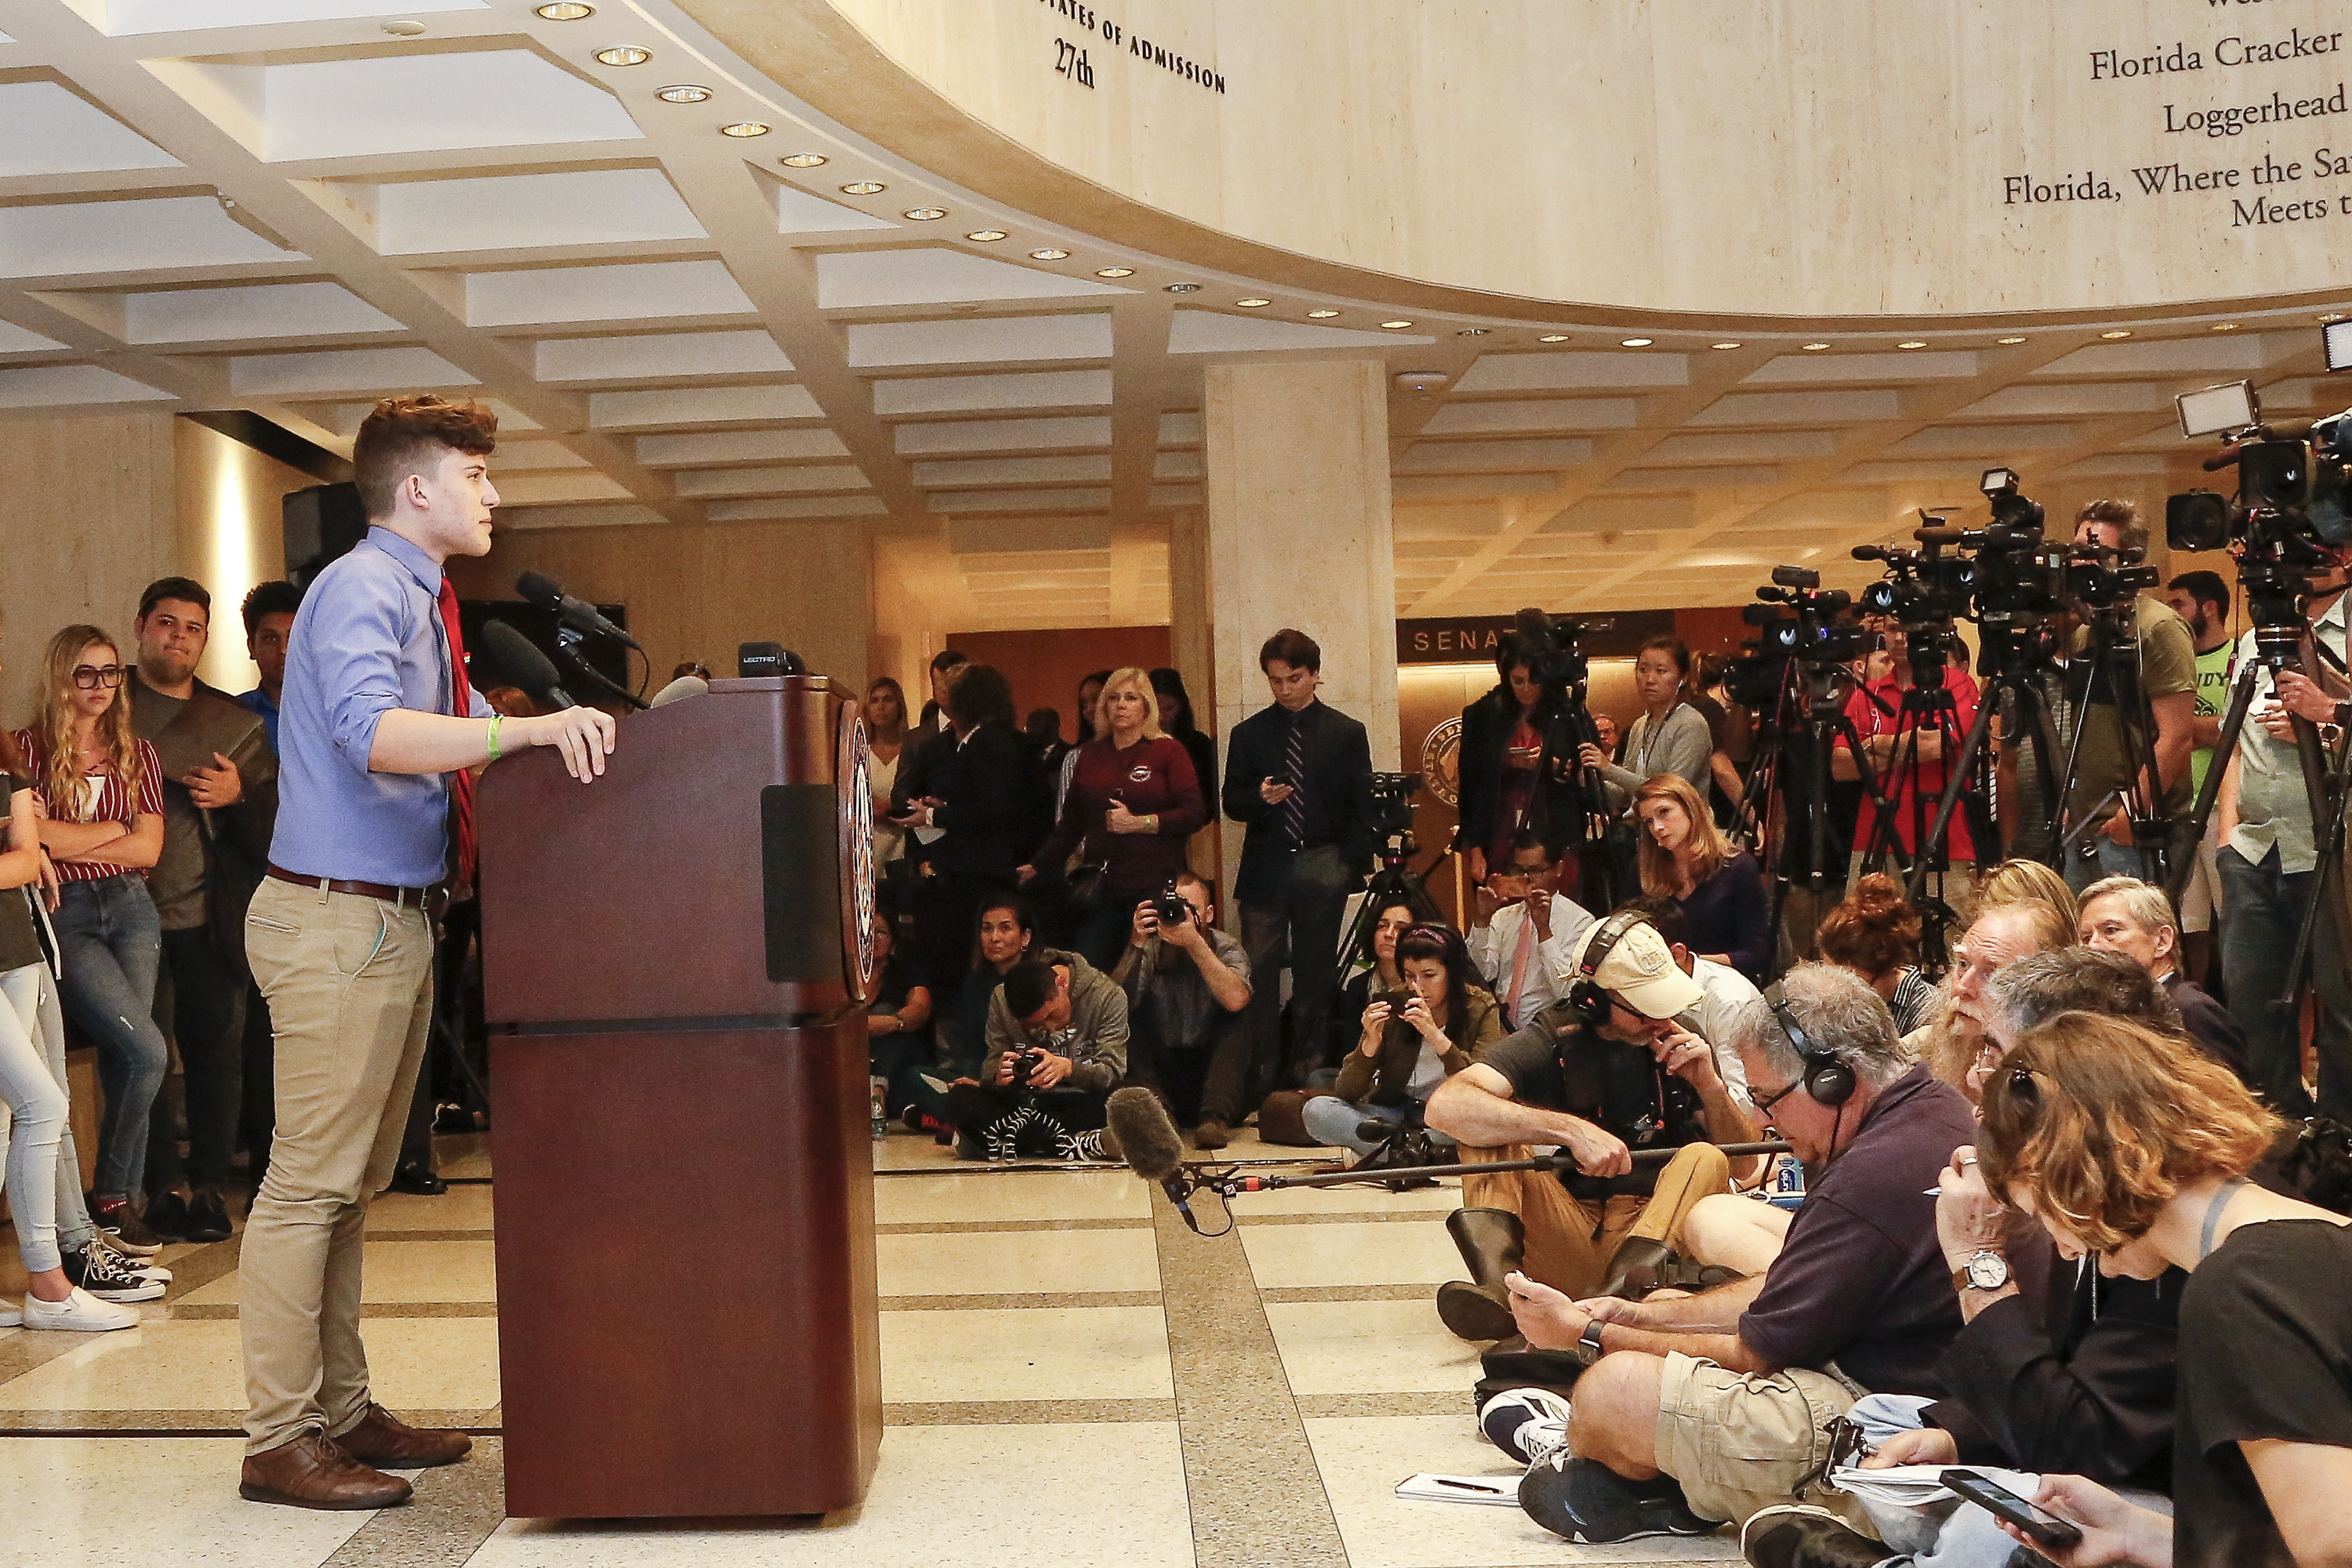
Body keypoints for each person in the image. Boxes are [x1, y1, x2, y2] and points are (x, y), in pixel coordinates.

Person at [236, 394, 616, 1509]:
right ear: (417, 489)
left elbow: (437, 745)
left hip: (390, 917)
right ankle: (279, 1435)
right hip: (336, 921)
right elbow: (375, 737)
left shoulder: (422, 593)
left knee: (349, 1190)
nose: (493, 493)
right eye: (478, 474)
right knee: (309, 1188)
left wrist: (529, 736)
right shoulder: (362, 587)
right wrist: (525, 730)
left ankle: (342, 1410)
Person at [1744, 953, 2192, 1568]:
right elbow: (2066, 1362)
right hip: (2073, 1439)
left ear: (2080, 1070)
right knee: (1881, 1422)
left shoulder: (2170, 1225)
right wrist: (1956, 1434)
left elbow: (2074, 1438)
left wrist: (1978, 1260)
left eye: (2002, 1062)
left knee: (1985, 1533)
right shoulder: (2092, 1182)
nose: (1980, 1086)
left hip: (2169, 1497)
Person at [1509, 964, 1975, 1545]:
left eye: (1766, 1099)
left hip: (1879, 1419)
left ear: (1835, 1080)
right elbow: (1786, 1289)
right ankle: (1655, 1475)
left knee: (1614, 1391)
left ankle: (1611, 1456)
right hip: (1888, 1374)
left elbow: (1754, 1351)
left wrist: (1588, 1337)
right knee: (1673, 1299)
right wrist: (1645, 1317)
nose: (1759, 1120)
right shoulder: (1928, 1106)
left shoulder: (1870, 1176)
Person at [1968, 1014, 2352, 1568]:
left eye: (2042, 1215)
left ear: (2073, 1175)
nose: (2067, 1248)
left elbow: (2331, 1544)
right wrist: (2139, 1533)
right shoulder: (2318, 1240)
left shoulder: (2238, 1287)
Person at [1424, 912, 1755, 1329]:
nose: (1660, 1019)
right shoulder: (1554, 1036)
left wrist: (1710, 1086)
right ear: (1595, 1001)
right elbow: (1446, 1105)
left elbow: (1745, 1165)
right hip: (1571, 1228)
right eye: (1644, 1008)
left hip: (1655, 1240)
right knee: (1485, 1136)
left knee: (1704, 1157)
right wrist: (1571, 1129)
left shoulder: (1683, 1041)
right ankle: (1499, 1294)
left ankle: (1614, 1305)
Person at [126, 576, 278, 1246]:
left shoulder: (232, 725)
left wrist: (241, 794)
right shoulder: (106, 706)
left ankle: (212, 1186)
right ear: (140, 628)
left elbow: (274, 836)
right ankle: (162, 1187)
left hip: (209, 917)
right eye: (166, 623)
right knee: (144, 1059)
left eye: (191, 627)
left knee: (217, 1057)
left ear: (205, 639)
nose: (178, 638)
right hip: (124, 917)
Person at [16, 625, 168, 1247]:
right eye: (86, 673)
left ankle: (119, 1206)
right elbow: (38, 839)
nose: (101, 685)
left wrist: (71, 834)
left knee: (128, 1059)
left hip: (132, 907)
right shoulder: (26, 750)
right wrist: (112, 832)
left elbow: (150, 845)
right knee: (148, 1051)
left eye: (111, 672)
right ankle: (108, 1197)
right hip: (66, 910)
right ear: (61, 677)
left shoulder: (138, 751)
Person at [0, 717, 140, 1333]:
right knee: (41, 1104)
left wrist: (32, 858)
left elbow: (30, 856)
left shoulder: (7, 756)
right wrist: (27, 857)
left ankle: (51, 1281)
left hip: (15, 946)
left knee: (13, 1116)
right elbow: (24, 855)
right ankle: (50, 1284)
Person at [2217, 528, 2352, 1120]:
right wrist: (2226, 838)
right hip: (2254, 848)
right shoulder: (2252, 641)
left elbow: (2336, 727)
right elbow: (2233, 744)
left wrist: (2325, 722)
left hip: (2332, 848)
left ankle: (2341, 1138)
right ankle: (2278, 1133)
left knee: (2343, 1007)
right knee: (2252, 1005)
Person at [1222, 629, 1375, 1097]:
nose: (1284, 689)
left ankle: (1309, 1073)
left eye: (1293, 679)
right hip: (1268, 863)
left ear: (1314, 675)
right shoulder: (1248, 734)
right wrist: (1261, 797)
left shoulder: (1346, 733)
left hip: (1322, 857)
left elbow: (1359, 804)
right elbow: (1231, 801)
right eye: (1275, 681)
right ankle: (1260, 1077)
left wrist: (1352, 865)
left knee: (1316, 975)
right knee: (1259, 975)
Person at [1020, 668, 1207, 971]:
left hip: (1154, 884)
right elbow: (1071, 823)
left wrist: (1141, 823)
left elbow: (1194, 812)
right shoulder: (1091, 755)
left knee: (1152, 974)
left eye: (1131, 698)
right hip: (1104, 888)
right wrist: (1039, 864)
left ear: (1146, 706)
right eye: (1114, 698)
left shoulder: (1168, 750)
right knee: (1091, 971)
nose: (1121, 705)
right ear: (1104, 707)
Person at [2060, 500, 2198, 893]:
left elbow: (2176, 737)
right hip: (2086, 824)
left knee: (2135, 947)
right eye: (2077, 553)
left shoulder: (2159, 628)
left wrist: (2130, 813)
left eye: (2095, 553)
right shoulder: (2086, 632)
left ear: (2130, 559)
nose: (2082, 564)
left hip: (2136, 828)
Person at [1306, 924, 1501, 1158]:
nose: (1417, 987)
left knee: (1492, 1128)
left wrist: (1435, 1036)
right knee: (1317, 1111)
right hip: (1396, 1112)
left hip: (1450, 1116)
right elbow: (1346, 1091)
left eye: (1430, 975)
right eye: (1410, 976)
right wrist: (1370, 1044)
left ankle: (1392, 1154)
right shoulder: (1395, 1001)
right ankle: (1424, 1154)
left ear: (1452, 973)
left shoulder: (1480, 1007)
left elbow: (1484, 1086)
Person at [897, 664, 1027, 1000]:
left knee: (968, 965)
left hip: (978, 871)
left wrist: (936, 815)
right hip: (975, 867)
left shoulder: (988, 742)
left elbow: (991, 808)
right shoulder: (984, 740)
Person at [1835, 619, 1984, 905]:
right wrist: (1909, 743)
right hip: (1874, 839)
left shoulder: (1955, 682)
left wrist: (1875, 744)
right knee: (1864, 939)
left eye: (1909, 628)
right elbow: (1841, 767)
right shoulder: (1867, 692)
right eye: (1893, 629)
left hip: (1945, 838)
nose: (1901, 637)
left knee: (1949, 943)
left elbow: (1937, 745)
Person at [1112, 873, 1252, 1149]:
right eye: (1175, 907)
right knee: (1130, 1025)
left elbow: (1236, 1000)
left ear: (1209, 914)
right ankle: (1159, 1117)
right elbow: (1116, 1008)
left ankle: (1214, 1120)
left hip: (1216, 1079)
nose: (1181, 915)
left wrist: (1195, 944)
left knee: (1240, 1016)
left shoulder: (1226, 946)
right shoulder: (1150, 947)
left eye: (1192, 909)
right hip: (1163, 1075)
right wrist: (1136, 944)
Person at [947, 952, 1128, 1161]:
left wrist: (1068, 1069)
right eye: (1034, 1026)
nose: (1048, 1028)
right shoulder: (1001, 998)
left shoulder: (1108, 996)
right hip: (1024, 1104)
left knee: (1130, 1097)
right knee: (959, 1098)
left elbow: (1112, 1072)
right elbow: (989, 1068)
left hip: (1082, 1100)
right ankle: (1070, 1143)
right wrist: (999, 1075)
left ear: (1062, 984)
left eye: (1050, 1015)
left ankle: (1009, 1141)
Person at [2078, 875, 2249, 1080]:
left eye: (2111, 930)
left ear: (2162, 941)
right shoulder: (2106, 1013)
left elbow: (2231, 1102)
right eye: (2086, 938)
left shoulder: (2193, 1010)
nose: (2093, 946)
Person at [1457, 637, 1586, 887]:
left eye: (1534, 681)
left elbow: (1586, 771)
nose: (1527, 689)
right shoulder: (1483, 716)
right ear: (1507, 679)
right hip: (1499, 828)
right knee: (1501, 908)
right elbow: (1471, 788)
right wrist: (1475, 848)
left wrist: (1553, 766)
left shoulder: (1566, 713)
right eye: (1518, 681)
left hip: (1554, 827)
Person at [907, 892, 1036, 1139]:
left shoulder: (1038, 980)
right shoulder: (977, 983)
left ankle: (949, 1122)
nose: (995, 938)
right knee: (915, 1077)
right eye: (987, 929)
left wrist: (985, 1084)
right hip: (980, 1069)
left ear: (1025, 937)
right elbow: (971, 1050)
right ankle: (962, 1119)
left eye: (1005, 928)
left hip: (1019, 1076)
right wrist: (970, 1079)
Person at [1924, 898, 2073, 1099]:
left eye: (1990, 973)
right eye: (1963, 964)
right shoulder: (1920, 1050)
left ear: (2046, 989)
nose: (1962, 988)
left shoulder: (2064, 1087)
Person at [2165, 569, 2235, 983]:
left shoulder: (2238, 656)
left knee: (2230, 916)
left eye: (2179, 604)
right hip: (2179, 806)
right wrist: (2196, 728)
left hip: (2221, 807)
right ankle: (2193, 1003)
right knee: (2186, 923)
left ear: (2208, 608)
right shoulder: (2176, 660)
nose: (2172, 614)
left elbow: (2231, 731)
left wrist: (2179, 727)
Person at [1634, 773, 1768, 980]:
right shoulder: (1643, 868)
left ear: (1691, 810)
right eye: (1649, 822)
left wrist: (1690, 964)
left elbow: (1756, 955)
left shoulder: (1738, 867)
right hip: (1658, 985)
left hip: (1722, 984)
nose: (1658, 827)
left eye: (1664, 812)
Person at [1466, 829, 1596, 1032]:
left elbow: (1566, 990)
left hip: (1547, 1028)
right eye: (1518, 870)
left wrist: (1544, 930)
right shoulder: (1503, 916)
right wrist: (1482, 920)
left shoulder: (1580, 921)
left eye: (1536, 871)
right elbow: (1482, 974)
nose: (1527, 879)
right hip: (1499, 1024)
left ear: (1558, 869)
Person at [1584, 636, 1715, 815]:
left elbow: (1671, 793)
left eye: (1661, 671)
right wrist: (1586, 778)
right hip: (1646, 828)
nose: (1650, 679)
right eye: (1643, 670)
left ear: (1683, 678)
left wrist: (1608, 768)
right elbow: (1625, 796)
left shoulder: (1691, 723)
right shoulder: (1640, 725)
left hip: (1685, 830)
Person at [1816, 873, 1936, 1033]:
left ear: (1868, 976)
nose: (1831, 985)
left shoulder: (1929, 1013)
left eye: (1840, 977)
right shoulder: (1837, 1003)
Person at [863, 913, 933, 1119]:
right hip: (857, 1063)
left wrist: (891, 1023)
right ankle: (876, 1093)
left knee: (885, 1012)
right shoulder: (844, 977)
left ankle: (877, 1090)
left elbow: (919, 1010)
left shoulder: (905, 972)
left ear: (893, 943)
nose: (873, 937)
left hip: (907, 1064)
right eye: (866, 931)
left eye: (881, 932)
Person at [238, 579, 303, 752]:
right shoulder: (235, 715)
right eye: (270, 638)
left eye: (292, 637)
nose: (283, 650)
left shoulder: (331, 711)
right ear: (251, 647)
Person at [1149, 667, 1218, 826]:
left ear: (1181, 707)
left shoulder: (1197, 743)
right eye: (1156, 709)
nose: (1162, 717)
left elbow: (1207, 798)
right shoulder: (1137, 742)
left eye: (1169, 708)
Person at [862, 677, 910, 867]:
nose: (881, 706)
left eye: (888, 699)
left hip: (904, 841)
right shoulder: (859, 752)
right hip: (868, 841)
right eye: (874, 700)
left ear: (899, 706)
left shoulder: (913, 749)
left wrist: (893, 806)